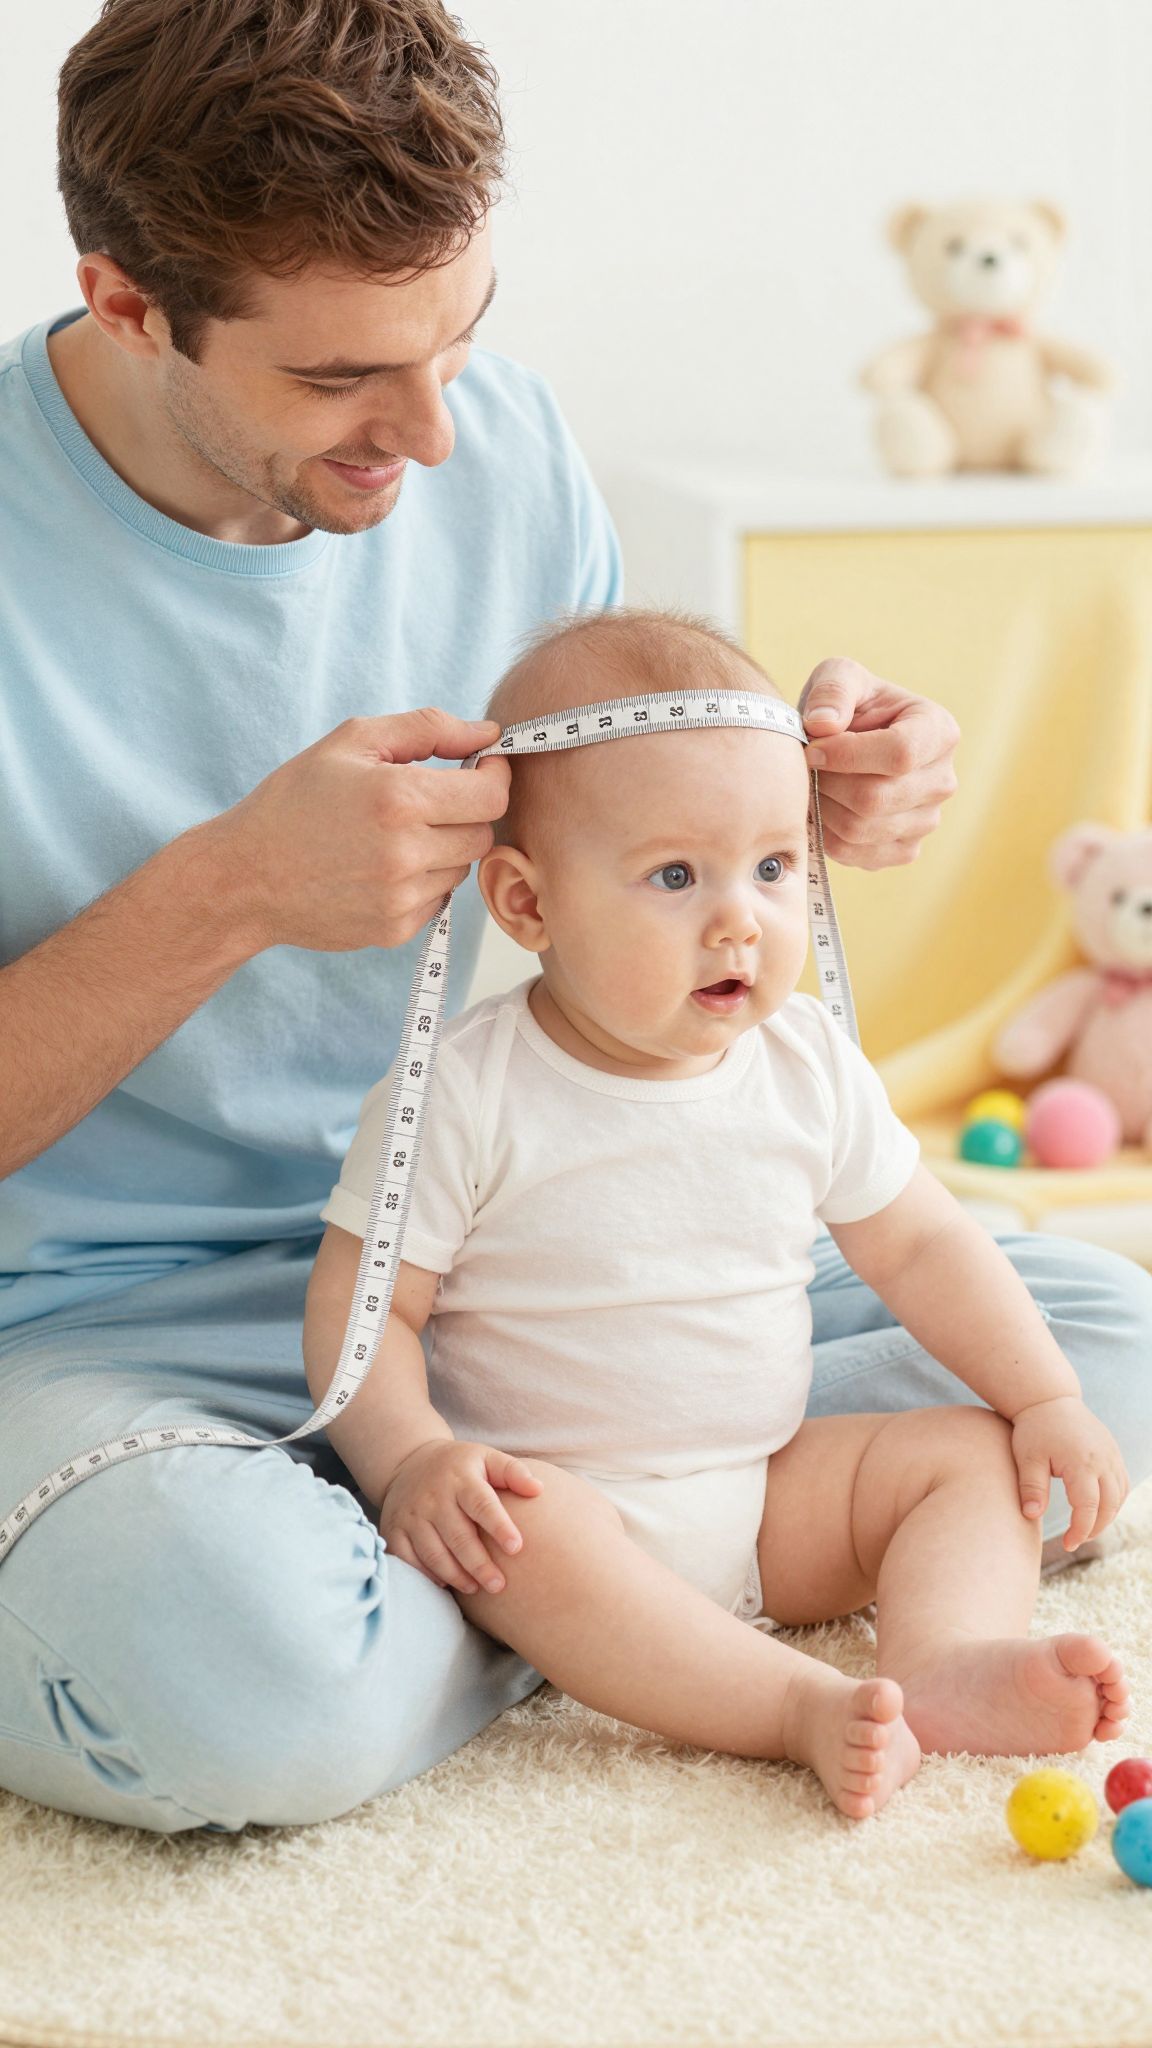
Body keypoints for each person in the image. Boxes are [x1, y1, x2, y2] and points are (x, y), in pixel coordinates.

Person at [0, 0, 1145, 1837]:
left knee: (1089, 1343)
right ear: (128, 299)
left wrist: (788, 794)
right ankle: (618, 1584)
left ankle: (566, 1576)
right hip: (133, 1315)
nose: (438, 432)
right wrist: (227, 893)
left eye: (461, 334)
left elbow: (623, 862)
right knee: (224, 1656)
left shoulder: (500, 442)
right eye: (339, 381)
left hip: (549, 1259)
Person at [304, 609, 1130, 1820]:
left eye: (777, 865)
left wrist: (1046, 1395)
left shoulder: (802, 1057)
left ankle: (945, 1659)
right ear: (527, 905)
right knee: (526, 1532)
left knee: (973, 1451)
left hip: (763, 1493)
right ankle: (788, 1704)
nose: (742, 916)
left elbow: (922, 1241)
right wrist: (414, 1456)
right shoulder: (466, 1089)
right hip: (565, 1513)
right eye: (676, 875)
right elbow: (366, 1303)